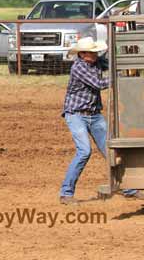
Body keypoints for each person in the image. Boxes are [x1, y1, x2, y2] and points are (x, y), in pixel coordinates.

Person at [59, 37, 143, 204]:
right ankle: (66, 192)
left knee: (112, 152)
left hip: (94, 114)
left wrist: (126, 61)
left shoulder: (96, 61)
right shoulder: (79, 67)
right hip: (76, 114)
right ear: (82, 54)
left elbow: (112, 63)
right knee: (84, 151)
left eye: (95, 51)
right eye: (91, 52)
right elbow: (98, 83)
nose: (94, 54)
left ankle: (129, 188)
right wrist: (120, 76)